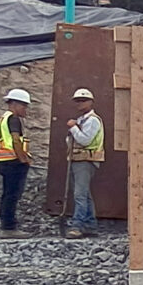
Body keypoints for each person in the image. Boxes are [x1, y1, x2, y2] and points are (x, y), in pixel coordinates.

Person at [62, 87, 107, 238]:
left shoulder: (92, 120)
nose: (79, 103)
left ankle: (77, 226)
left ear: (91, 102)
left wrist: (73, 128)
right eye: (77, 101)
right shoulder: (82, 120)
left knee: (79, 194)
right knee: (85, 194)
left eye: (83, 100)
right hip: (78, 159)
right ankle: (90, 225)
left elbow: (85, 140)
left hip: (86, 160)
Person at [0, 87, 34, 237]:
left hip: (4, 161)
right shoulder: (13, 119)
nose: (25, 109)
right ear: (15, 104)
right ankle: (9, 228)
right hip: (13, 162)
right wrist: (23, 159)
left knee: (8, 194)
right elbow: (16, 140)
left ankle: (6, 225)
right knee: (13, 195)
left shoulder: (4, 118)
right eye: (24, 106)